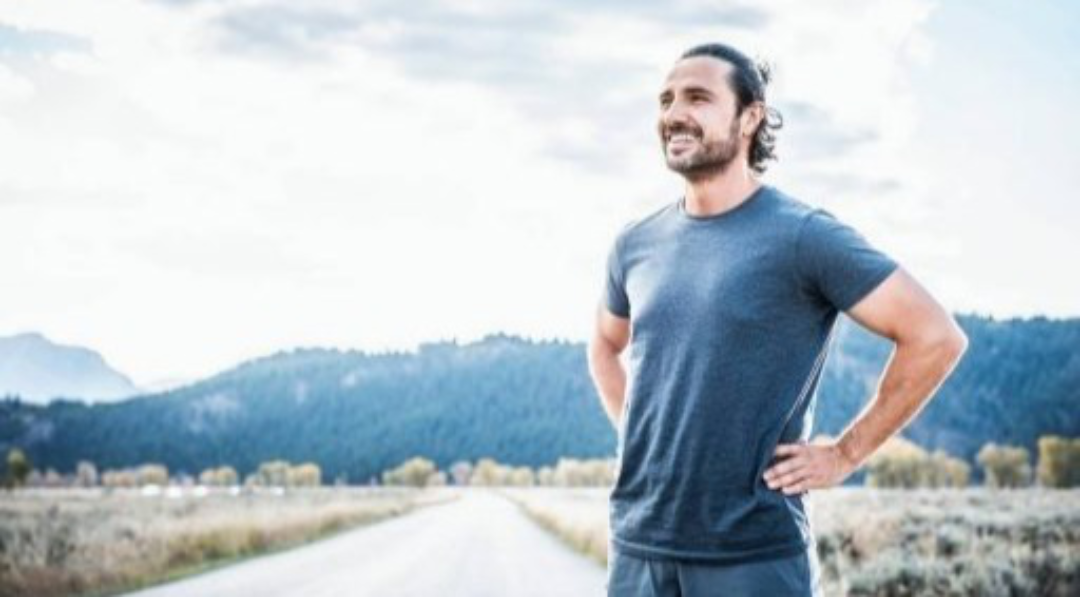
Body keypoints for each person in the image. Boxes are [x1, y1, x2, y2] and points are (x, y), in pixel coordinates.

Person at [587, 42, 968, 597]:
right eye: (666, 100)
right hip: (638, 546)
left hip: (752, 554)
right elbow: (604, 342)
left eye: (697, 97)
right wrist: (639, 433)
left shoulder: (802, 235)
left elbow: (935, 337)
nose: (674, 114)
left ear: (750, 117)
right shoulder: (635, 244)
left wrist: (845, 453)